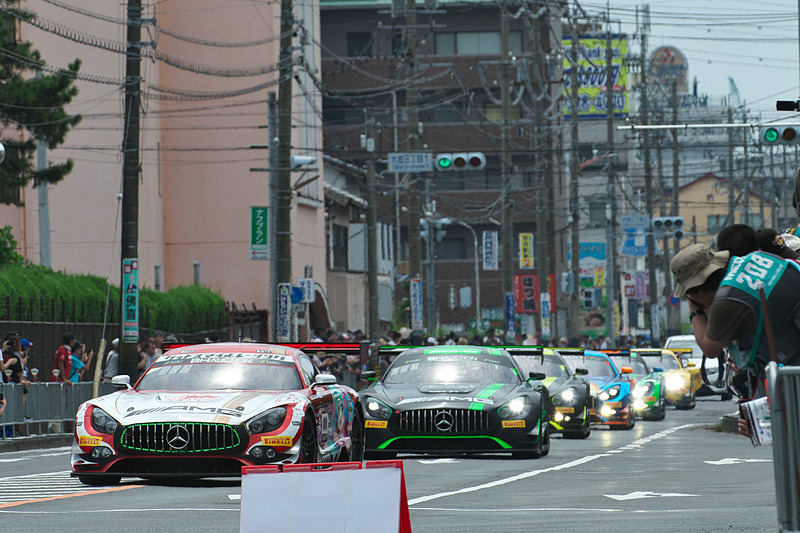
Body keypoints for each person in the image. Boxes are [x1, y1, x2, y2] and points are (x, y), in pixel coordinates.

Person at [671, 243, 800, 387]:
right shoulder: (756, 258)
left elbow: (710, 349)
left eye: (688, 293)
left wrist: (695, 310)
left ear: (697, 290)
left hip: (792, 372)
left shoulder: (727, 299)